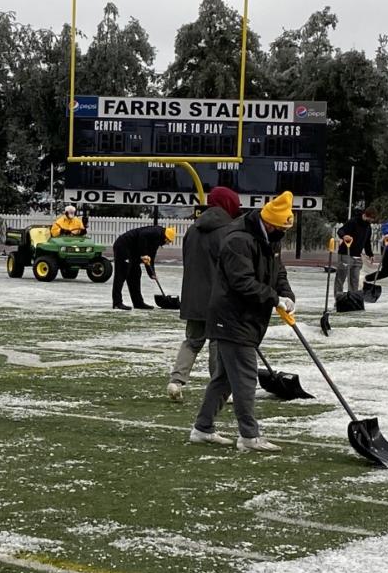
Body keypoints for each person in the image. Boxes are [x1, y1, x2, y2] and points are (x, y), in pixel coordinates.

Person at [189, 190, 297, 453]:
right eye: (280, 227)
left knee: (224, 379)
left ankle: (202, 429)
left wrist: (286, 294)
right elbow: (241, 282)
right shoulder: (239, 239)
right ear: (269, 221)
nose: (282, 233)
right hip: (232, 316)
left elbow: (277, 270)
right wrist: (273, 298)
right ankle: (249, 436)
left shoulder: (269, 237)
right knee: (246, 378)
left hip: (246, 318)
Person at [167, 186, 242, 400]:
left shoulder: (193, 229)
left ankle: (176, 381)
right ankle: (219, 389)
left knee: (192, 341)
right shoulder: (229, 231)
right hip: (218, 298)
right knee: (218, 344)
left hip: (192, 296)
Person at [110, 224, 177, 310]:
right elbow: (142, 236)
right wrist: (144, 254)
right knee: (122, 273)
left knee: (135, 274)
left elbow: (151, 257)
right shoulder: (155, 232)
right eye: (168, 241)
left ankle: (138, 302)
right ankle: (117, 302)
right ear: (166, 237)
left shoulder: (157, 240)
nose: (167, 243)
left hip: (132, 251)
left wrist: (152, 273)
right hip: (123, 246)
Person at [335, 207, 377, 297]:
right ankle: (338, 299)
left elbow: (367, 242)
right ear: (365, 215)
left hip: (357, 256)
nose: (370, 221)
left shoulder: (368, 227)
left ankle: (352, 299)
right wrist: (344, 236)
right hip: (345, 254)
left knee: (354, 280)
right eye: (370, 219)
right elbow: (340, 231)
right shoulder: (353, 222)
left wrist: (370, 254)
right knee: (340, 279)